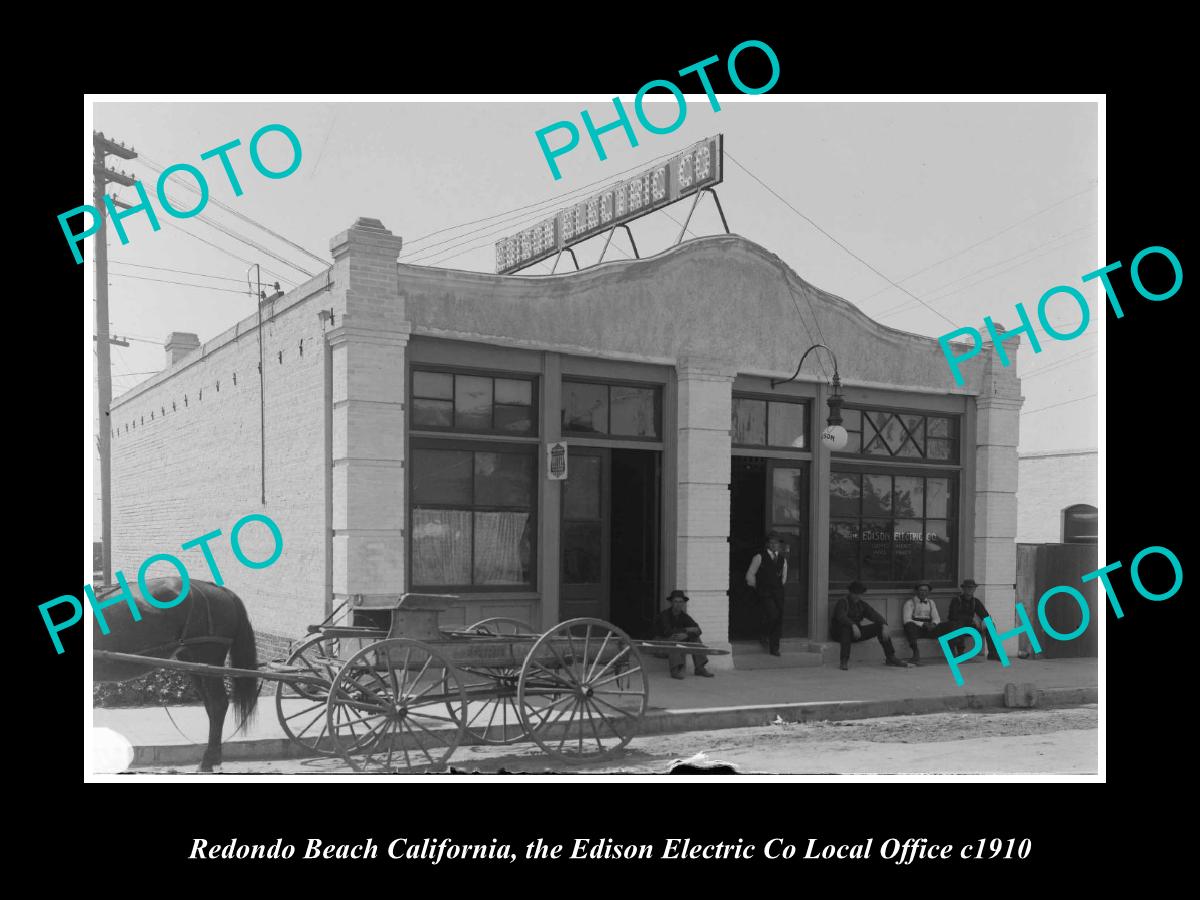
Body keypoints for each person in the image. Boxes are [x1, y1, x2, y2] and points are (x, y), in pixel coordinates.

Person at [831, 582, 910, 670]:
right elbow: (841, 617)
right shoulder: (842, 602)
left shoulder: (862, 604)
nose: (857, 596)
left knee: (880, 626)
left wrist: (884, 624)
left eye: (860, 594)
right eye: (855, 593)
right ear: (850, 593)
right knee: (846, 629)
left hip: (855, 633)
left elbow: (873, 614)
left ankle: (890, 657)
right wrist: (853, 625)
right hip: (839, 634)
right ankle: (844, 660)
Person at [654, 590, 713, 679]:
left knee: (695, 638)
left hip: (676, 644)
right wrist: (686, 629)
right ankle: (675, 670)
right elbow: (668, 632)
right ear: (671, 603)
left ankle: (700, 668)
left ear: (683, 603)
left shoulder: (684, 616)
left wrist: (687, 635)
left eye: (681, 602)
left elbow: (698, 630)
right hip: (660, 646)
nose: (678, 604)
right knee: (675, 638)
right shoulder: (664, 615)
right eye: (676, 602)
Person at [745, 531, 788, 656]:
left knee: (778, 618)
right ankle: (764, 633)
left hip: (778, 592)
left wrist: (778, 586)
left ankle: (774, 648)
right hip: (765, 592)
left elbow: (784, 577)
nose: (775, 545)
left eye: (777, 543)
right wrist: (757, 587)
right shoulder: (759, 557)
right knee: (772, 615)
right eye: (772, 542)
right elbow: (750, 574)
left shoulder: (782, 559)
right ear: (768, 544)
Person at [947, 578, 1001, 661]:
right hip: (957, 627)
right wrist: (972, 620)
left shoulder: (975, 601)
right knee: (958, 625)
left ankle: (993, 653)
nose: (970, 590)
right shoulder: (956, 600)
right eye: (967, 587)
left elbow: (985, 615)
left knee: (990, 625)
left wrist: (984, 621)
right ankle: (960, 652)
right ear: (963, 589)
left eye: (972, 588)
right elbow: (953, 616)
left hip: (971, 627)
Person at [901, 582, 951, 665]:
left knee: (950, 625)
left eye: (925, 590)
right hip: (917, 629)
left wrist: (934, 624)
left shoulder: (931, 602)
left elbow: (937, 618)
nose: (923, 592)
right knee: (909, 626)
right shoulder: (909, 603)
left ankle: (951, 650)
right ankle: (915, 653)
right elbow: (906, 619)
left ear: (928, 592)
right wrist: (923, 624)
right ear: (916, 591)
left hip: (930, 629)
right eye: (921, 590)